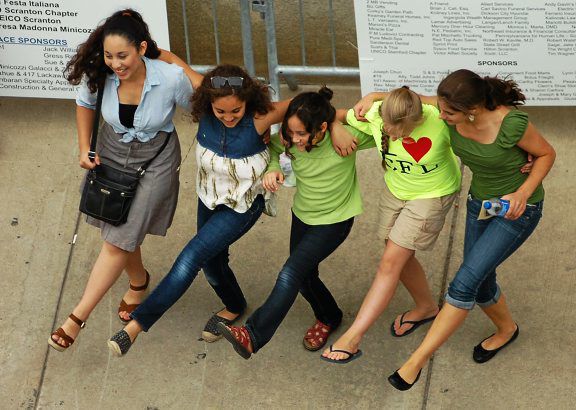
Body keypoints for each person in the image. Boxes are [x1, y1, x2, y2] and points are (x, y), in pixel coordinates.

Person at [105, 63, 295, 356]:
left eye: (236, 111)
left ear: (248, 102)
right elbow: (171, 58)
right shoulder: (205, 104)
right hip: (208, 198)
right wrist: (138, 47)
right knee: (212, 264)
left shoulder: (259, 118)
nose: (229, 118)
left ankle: (136, 327)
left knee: (190, 259)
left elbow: (304, 103)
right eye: (221, 112)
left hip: (241, 207)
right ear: (209, 104)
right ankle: (234, 306)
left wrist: (336, 125)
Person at [385, 69, 555, 391]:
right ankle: (507, 330)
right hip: (480, 205)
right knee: (480, 281)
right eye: (440, 106)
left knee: (464, 284)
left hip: (518, 211)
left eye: (449, 112)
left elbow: (547, 153)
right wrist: (370, 98)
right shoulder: (445, 110)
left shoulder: (511, 124)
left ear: (472, 110)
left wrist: (522, 192)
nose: (441, 114)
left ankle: (415, 362)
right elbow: (407, 102)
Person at [48, 9, 203, 352]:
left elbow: (205, 104)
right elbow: (84, 104)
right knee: (118, 223)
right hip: (111, 150)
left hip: (156, 159)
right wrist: (84, 147)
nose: (115, 63)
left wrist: (180, 63)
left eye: (123, 55)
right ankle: (138, 280)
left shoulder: (170, 77)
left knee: (118, 239)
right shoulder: (99, 75)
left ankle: (76, 318)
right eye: (109, 55)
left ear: (142, 48)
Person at [216, 86, 377, 359]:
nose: (296, 139)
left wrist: (341, 123)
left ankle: (253, 334)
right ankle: (329, 316)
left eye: (303, 134)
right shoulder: (288, 139)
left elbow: (386, 125)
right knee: (304, 278)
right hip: (303, 215)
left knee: (290, 273)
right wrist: (274, 169)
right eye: (291, 132)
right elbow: (273, 150)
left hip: (335, 221)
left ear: (323, 127)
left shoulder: (348, 139)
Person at [321, 86, 462, 363]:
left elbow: (479, 128)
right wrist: (338, 125)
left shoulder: (438, 119)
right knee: (395, 252)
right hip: (396, 190)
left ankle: (352, 338)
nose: (394, 134)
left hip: (432, 195)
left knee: (390, 263)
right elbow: (329, 115)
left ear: (419, 119)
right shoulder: (375, 113)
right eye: (389, 128)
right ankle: (426, 307)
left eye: (402, 130)